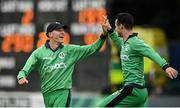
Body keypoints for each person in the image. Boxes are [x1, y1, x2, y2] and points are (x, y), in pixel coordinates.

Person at [17, 22, 106, 107]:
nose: (63, 32)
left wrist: (103, 35)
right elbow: (25, 69)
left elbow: (92, 48)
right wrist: (21, 76)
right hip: (47, 93)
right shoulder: (38, 53)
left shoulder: (69, 51)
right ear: (50, 34)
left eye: (63, 30)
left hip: (62, 91)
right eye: (59, 30)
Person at [99, 13, 178, 107]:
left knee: (102, 106)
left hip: (133, 90)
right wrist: (109, 29)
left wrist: (166, 67)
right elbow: (117, 41)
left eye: (116, 26)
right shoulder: (126, 43)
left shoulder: (135, 42)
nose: (115, 29)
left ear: (121, 26)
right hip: (138, 91)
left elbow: (151, 53)